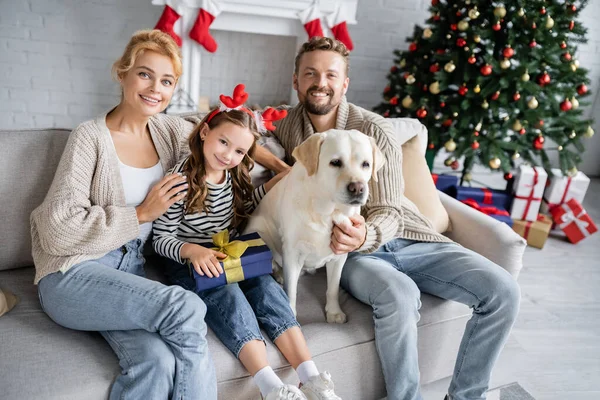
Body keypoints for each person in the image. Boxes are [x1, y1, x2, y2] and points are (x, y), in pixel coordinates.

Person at [255, 37, 521, 400]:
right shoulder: (288, 125)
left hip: (406, 238)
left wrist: (367, 234)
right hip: (349, 254)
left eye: (331, 74)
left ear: (344, 83)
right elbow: (241, 135)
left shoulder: (374, 130)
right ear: (296, 80)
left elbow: (392, 209)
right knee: (399, 294)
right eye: (310, 73)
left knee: (503, 291)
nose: (321, 82)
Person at [30, 30, 216, 399]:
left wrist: (277, 165)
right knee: (184, 306)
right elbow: (57, 229)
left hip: (126, 272)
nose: (155, 89)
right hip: (73, 273)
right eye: (145, 74)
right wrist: (142, 213)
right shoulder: (89, 137)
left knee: (157, 363)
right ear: (122, 73)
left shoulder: (169, 131)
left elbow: (226, 137)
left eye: (166, 81)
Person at [152, 84, 342, 400]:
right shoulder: (181, 180)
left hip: (228, 251)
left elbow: (240, 209)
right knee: (228, 293)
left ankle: (311, 378)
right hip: (187, 259)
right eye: (223, 142)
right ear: (204, 133)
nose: (228, 155)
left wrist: (270, 187)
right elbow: (160, 239)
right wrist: (193, 250)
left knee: (267, 288)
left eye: (239, 151)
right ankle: (272, 388)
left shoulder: (231, 175)